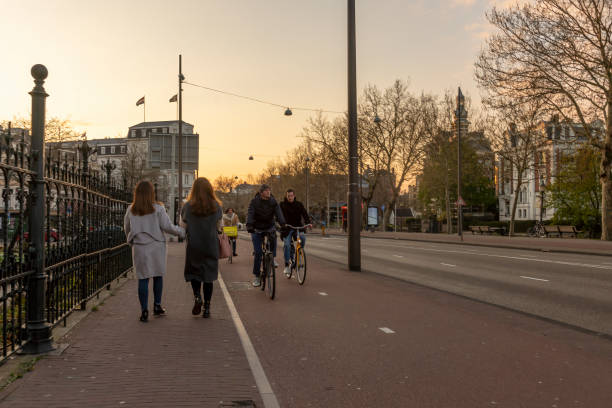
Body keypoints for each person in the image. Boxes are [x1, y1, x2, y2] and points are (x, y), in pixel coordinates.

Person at [124, 180, 185, 322]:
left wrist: (130, 241)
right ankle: (157, 306)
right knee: (158, 276)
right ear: (152, 193)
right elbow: (167, 226)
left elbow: (127, 228)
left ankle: (144, 310)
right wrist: (182, 232)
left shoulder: (131, 209)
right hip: (156, 246)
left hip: (140, 247)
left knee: (143, 278)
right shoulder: (158, 209)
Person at [181, 177, 223, 318]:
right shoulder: (216, 206)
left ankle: (197, 296)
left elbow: (183, 226)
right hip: (210, 245)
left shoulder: (187, 206)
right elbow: (220, 226)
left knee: (194, 272)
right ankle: (207, 307)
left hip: (194, 245)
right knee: (208, 277)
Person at [246, 184, 285, 287]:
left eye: (269, 190)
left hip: (269, 226)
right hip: (256, 228)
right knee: (258, 253)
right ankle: (257, 276)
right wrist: (249, 225)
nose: (269, 192)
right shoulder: (254, 202)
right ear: (261, 192)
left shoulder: (273, 201)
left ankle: (273, 257)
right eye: (267, 191)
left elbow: (278, 212)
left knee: (273, 236)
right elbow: (250, 213)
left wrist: (283, 223)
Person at [279, 189, 312, 277]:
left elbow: (305, 214)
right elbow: (279, 216)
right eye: (288, 196)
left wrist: (308, 222)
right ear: (286, 196)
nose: (290, 197)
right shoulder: (282, 205)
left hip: (298, 227)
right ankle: (286, 265)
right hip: (287, 228)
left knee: (303, 238)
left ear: (294, 196)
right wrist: (282, 224)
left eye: (291, 196)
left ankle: (299, 252)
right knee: (287, 245)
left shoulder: (299, 204)